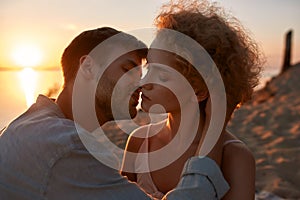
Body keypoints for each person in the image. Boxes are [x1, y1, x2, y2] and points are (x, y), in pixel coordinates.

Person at [0, 27, 229, 199]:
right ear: (88, 67)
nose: (140, 84)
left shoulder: (30, 122)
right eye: (127, 69)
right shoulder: (67, 145)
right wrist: (215, 127)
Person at [122, 1, 263, 199]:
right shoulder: (139, 141)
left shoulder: (235, 157)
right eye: (148, 68)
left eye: (162, 76)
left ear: (198, 90)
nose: (145, 82)